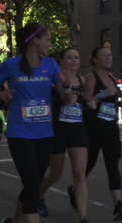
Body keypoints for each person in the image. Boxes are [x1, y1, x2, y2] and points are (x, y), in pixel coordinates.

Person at [0, 22, 60, 223]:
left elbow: (65, 89)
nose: (50, 44)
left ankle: (16, 220)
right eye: (48, 39)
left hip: (45, 133)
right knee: (33, 186)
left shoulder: (51, 64)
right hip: (20, 133)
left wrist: (71, 93)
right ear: (35, 40)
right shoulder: (11, 64)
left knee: (34, 184)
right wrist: (1, 94)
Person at [38, 48, 89, 223]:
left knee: (80, 174)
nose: (73, 61)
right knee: (55, 175)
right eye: (69, 58)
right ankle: (39, 196)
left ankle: (82, 217)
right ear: (61, 61)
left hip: (77, 129)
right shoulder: (54, 79)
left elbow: (87, 102)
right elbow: (48, 100)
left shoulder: (82, 80)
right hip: (58, 129)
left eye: (76, 58)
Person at [82, 46, 122, 221]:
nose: (109, 58)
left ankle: (118, 204)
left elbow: (111, 99)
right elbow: (87, 101)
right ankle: (75, 189)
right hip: (94, 129)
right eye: (104, 55)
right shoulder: (91, 77)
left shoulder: (111, 76)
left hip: (111, 128)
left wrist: (120, 104)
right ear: (95, 59)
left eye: (110, 55)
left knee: (113, 164)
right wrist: (101, 95)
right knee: (88, 165)